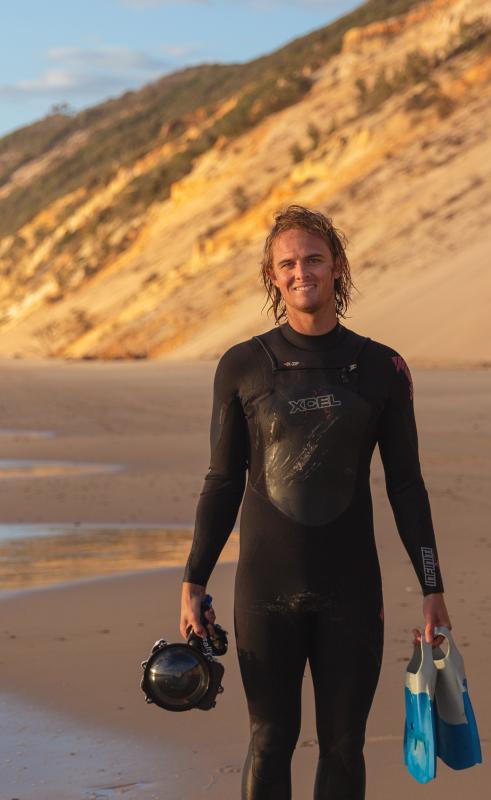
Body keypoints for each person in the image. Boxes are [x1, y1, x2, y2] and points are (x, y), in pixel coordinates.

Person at [180, 205, 452, 799]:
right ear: (273, 277)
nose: (301, 270)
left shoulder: (382, 367)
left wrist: (432, 588)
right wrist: (194, 579)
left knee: (343, 743)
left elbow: (406, 485)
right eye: (287, 263)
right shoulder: (243, 366)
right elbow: (223, 479)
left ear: (337, 267)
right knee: (270, 737)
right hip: (264, 591)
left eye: (313, 258)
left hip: (350, 590)